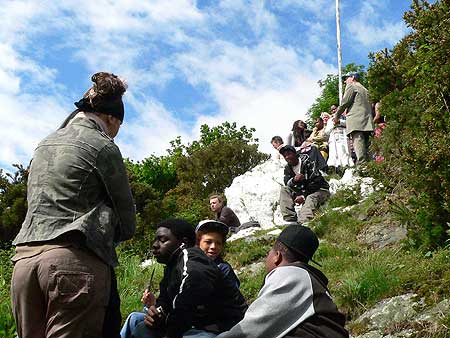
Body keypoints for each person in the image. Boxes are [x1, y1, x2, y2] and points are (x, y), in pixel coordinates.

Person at [11, 72, 136, 338]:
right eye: (117, 127)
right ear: (111, 118)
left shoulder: (44, 144)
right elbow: (128, 219)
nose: (116, 134)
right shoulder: (103, 146)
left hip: (24, 263)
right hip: (72, 263)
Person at [216, 225, 349, 338]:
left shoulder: (291, 275)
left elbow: (252, 328)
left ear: (277, 256)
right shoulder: (307, 279)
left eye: (269, 253)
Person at [122, 219, 247, 338]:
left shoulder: (193, 259)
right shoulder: (172, 266)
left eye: (163, 240)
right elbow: (166, 300)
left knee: (144, 330)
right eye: (155, 240)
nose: (155, 245)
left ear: (184, 243)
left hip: (219, 329)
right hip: (195, 324)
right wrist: (156, 312)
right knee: (137, 321)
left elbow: (191, 292)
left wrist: (171, 333)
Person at [278, 145, 330, 224]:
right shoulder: (288, 168)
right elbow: (287, 182)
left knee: (310, 198)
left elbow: (317, 182)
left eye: (289, 154)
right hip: (303, 192)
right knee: (284, 189)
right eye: (285, 155)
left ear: (295, 154)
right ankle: (290, 219)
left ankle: (304, 221)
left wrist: (303, 196)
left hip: (320, 190)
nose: (287, 157)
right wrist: (294, 180)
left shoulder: (308, 162)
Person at [334, 72, 374, 164]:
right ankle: (370, 165)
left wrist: (336, 116)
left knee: (358, 141)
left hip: (356, 120)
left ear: (352, 77)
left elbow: (345, 102)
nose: (345, 81)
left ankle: (362, 165)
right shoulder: (365, 90)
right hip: (367, 120)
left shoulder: (352, 86)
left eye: (346, 78)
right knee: (367, 145)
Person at [196, 220, 240, 288]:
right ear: (198, 242)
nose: (213, 247)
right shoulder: (186, 265)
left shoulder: (223, 269)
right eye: (208, 242)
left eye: (218, 243)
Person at [325, 105, 354, 171]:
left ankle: (346, 165)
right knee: (334, 152)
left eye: (335, 109)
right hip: (334, 137)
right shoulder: (330, 120)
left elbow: (349, 124)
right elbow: (326, 131)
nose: (333, 111)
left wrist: (339, 122)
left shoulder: (344, 117)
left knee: (344, 150)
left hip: (343, 136)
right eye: (332, 110)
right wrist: (333, 125)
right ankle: (334, 167)